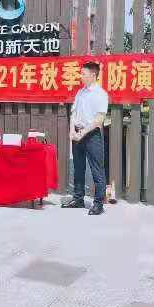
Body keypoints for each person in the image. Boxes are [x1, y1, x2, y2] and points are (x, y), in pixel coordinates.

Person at [62, 61, 109, 216]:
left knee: (97, 170)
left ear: (93, 75)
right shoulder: (80, 92)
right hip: (77, 133)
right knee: (78, 167)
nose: (80, 76)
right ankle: (78, 198)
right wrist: (71, 131)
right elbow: (73, 113)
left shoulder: (101, 94)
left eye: (83, 74)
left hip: (92, 135)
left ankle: (98, 204)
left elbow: (99, 119)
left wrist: (83, 133)